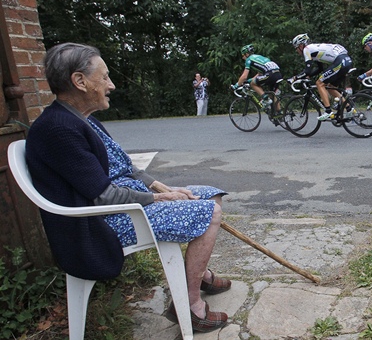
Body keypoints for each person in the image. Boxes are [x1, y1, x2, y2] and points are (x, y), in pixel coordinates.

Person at [26, 43, 230, 332]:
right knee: (210, 213)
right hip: (103, 222)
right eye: (104, 77)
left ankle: (197, 275)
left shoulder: (81, 119)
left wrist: (163, 187)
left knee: (212, 194)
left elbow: (125, 167)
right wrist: (160, 198)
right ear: (80, 81)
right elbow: (104, 196)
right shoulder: (58, 129)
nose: (111, 84)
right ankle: (191, 305)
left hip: (122, 204)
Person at [290, 33, 353, 121]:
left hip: (340, 61)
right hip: (346, 60)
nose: (297, 51)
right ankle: (349, 109)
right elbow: (320, 69)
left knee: (319, 83)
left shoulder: (307, 50)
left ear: (301, 45)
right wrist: (307, 76)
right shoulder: (314, 49)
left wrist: (295, 78)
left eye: (296, 48)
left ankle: (328, 111)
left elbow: (307, 70)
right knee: (330, 88)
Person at [231, 44, 283, 115]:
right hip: (278, 73)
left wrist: (236, 85)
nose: (243, 58)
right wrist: (249, 80)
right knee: (272, 95)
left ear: (246, 54)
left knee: (253, 84)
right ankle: (280, 114)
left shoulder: (249, 60)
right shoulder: (259, 57)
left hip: (270, 74)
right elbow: (260, 74)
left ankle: (265, 99)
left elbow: (244, 76)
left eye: (243, 55)